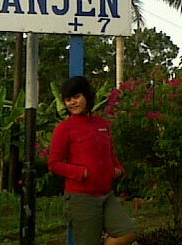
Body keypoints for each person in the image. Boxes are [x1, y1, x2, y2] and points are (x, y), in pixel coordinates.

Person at [48, 76, 137, 245]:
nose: (73, 102)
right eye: (68, 99)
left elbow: (110, 154)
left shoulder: (102, 124)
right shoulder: (64, 129)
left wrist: (117, 169)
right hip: (82, 198)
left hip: (106, 194)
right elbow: (54, 164)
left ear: (87, 96)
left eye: (76, 97)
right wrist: (82, 172)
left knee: (128, 232)